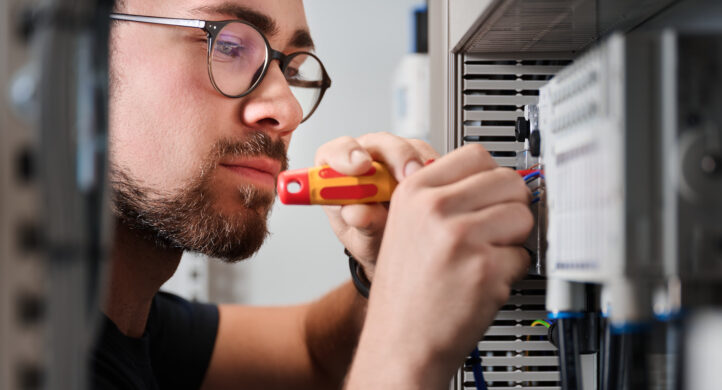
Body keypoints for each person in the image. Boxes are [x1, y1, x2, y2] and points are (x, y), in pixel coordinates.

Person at [98, 0, 534, 388]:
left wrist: (382, 273)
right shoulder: (40, 357)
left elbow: (309, 351)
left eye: (289, 70)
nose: (288, 110)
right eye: (228, 45)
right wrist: (406, 338)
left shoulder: (128, 321)